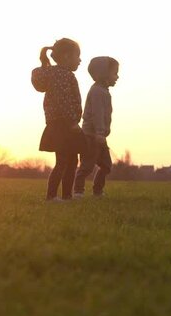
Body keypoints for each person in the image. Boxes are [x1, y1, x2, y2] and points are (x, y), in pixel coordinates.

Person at [31, 38, 84, 201]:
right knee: (63, 161)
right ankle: (52, 196)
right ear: (67, 57)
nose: (80, 60)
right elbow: (63, 101)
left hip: (62, 124)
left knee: (70, 161)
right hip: (64, 125)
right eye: (77, 56)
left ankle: (66, 195)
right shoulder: (62, 76)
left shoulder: (60, 75)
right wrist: (72, 122)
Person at [74, 57, 120, 198]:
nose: (117, 77)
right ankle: (78, 191)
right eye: (114, 73)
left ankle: (98, 191)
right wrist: (100, 133)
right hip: (91, 135)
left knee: (106, 165)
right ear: (104, 74)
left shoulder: (104, 91)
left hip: (100, 136)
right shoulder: (97, 92)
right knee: (87, 166)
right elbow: (97, 114)